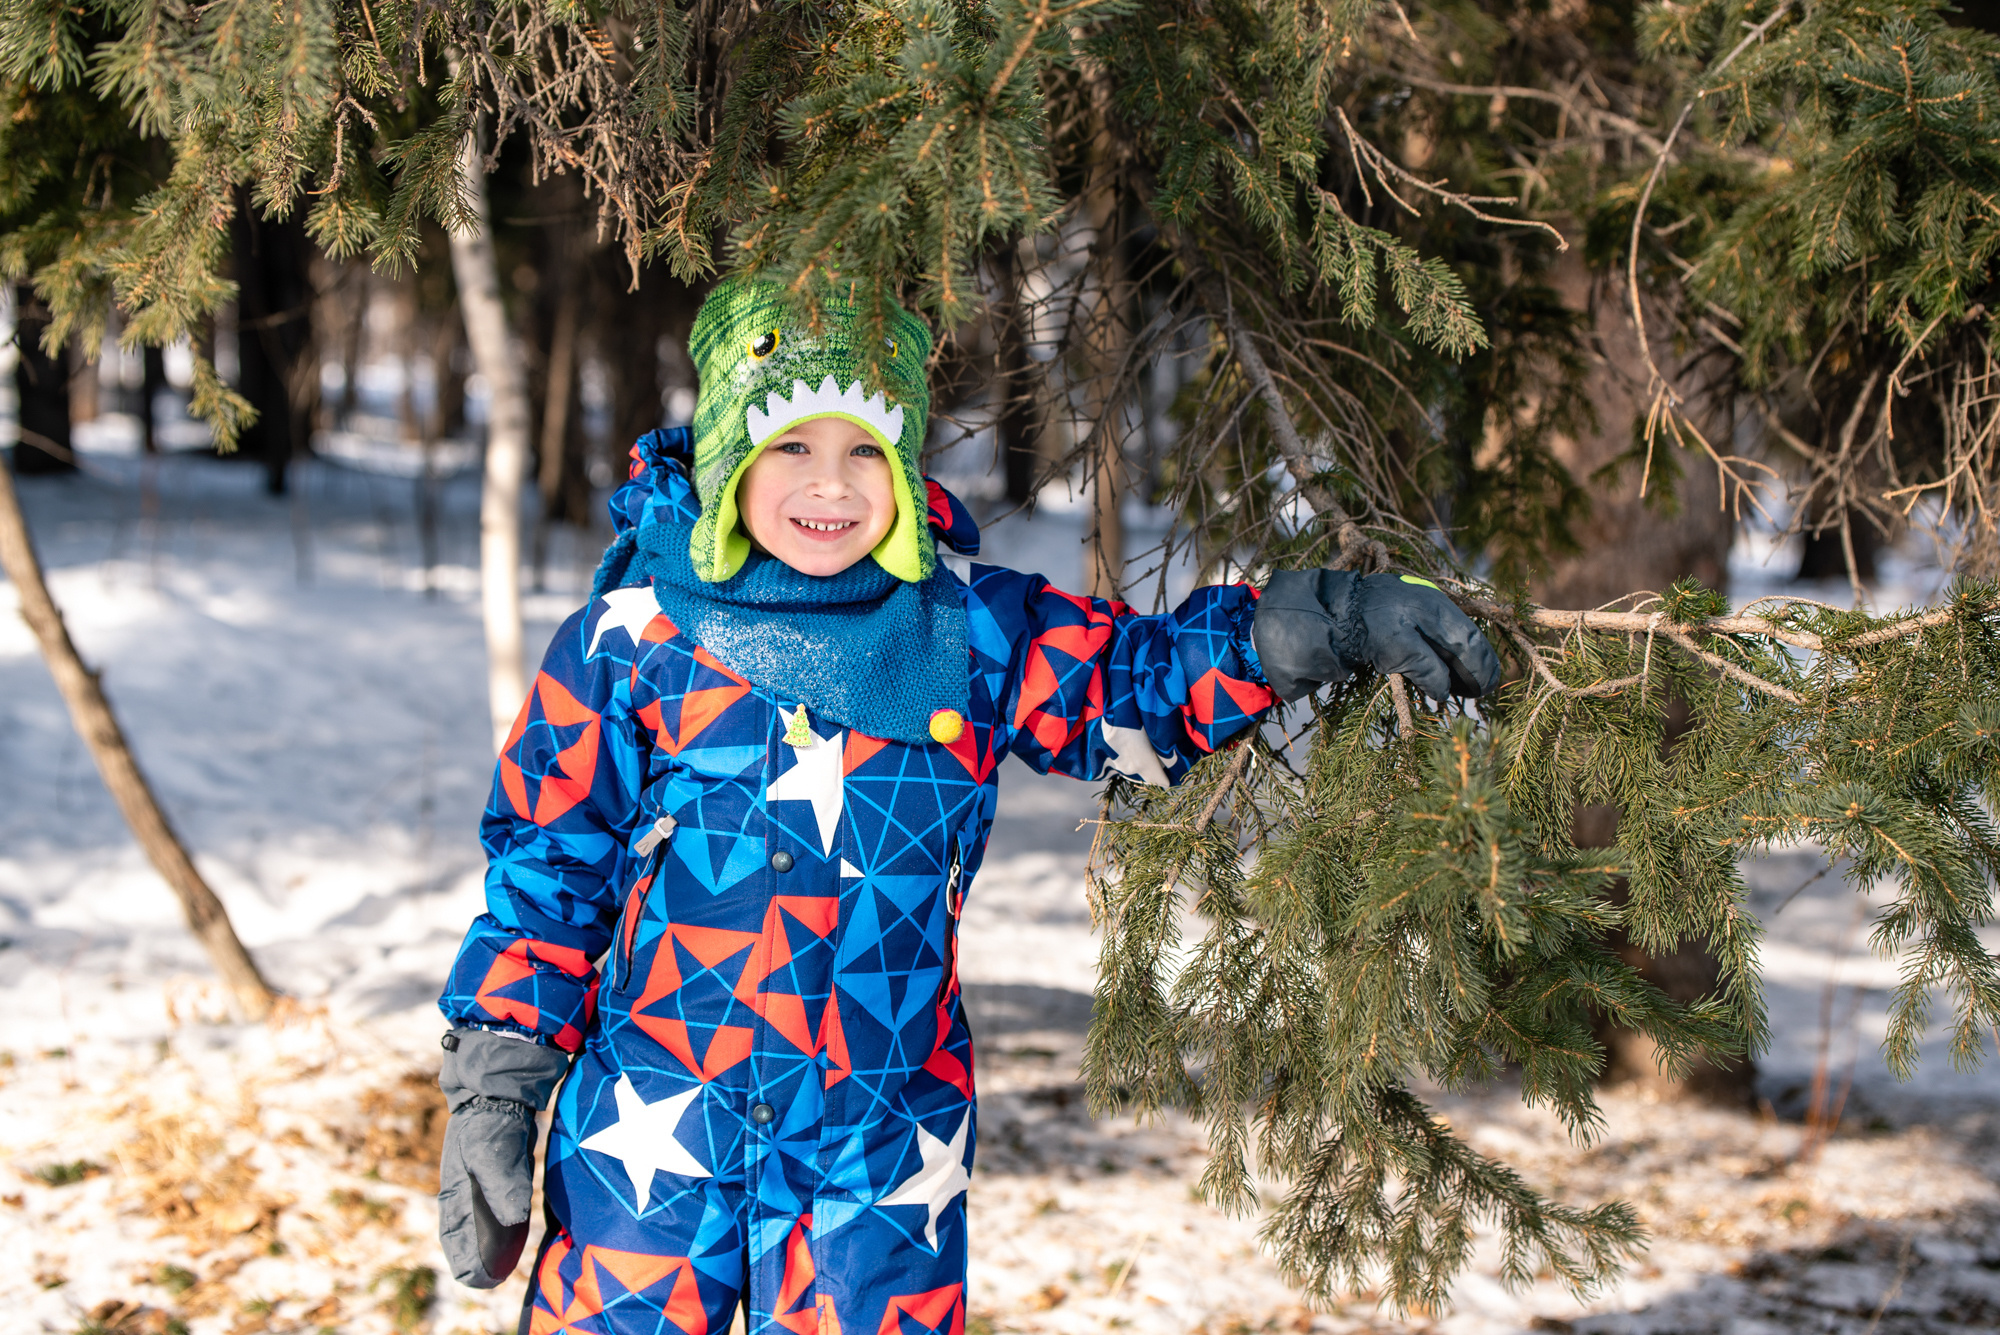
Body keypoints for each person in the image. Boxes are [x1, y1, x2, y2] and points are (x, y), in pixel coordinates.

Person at [433, 278, 1500, 1335]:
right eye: (791, 446)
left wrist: (1310, 624)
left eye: (863, 449)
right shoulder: (633, 639)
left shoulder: (966, 632)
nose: (831, 484)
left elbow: (1129, 687)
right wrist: (495, 1083)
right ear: (727, 459)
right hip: (649, 1143)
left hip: (880, 1160)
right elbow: (548, 870)